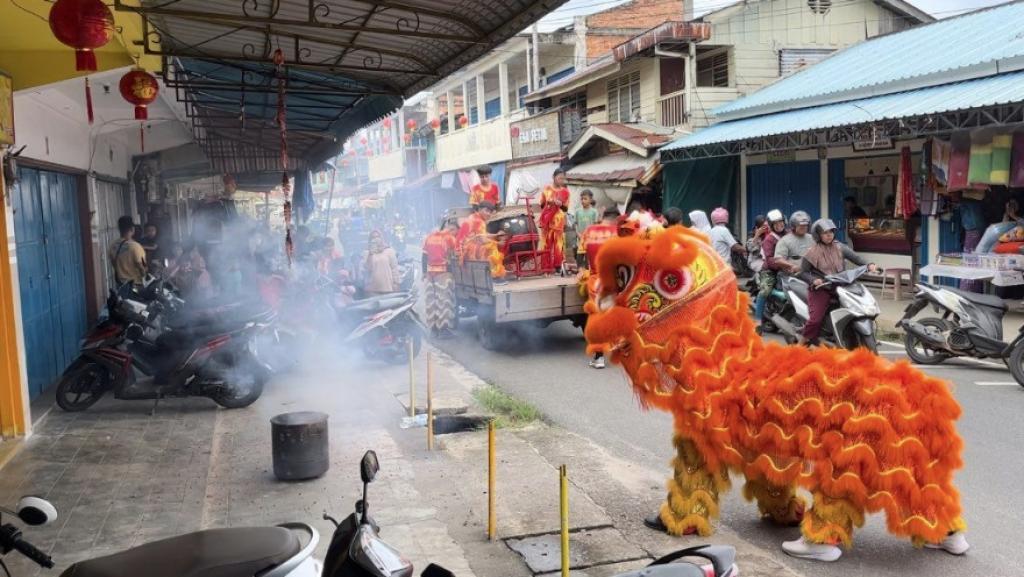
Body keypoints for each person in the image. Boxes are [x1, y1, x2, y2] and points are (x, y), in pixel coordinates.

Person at [799, 218, 878, 345]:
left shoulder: (840, 247)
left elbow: (856, 258)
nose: (829, 235)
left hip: (841, 286)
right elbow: (802, 273)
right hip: (822, 289)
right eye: (825, 233)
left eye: (831, 232)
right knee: (815, 320)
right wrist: (814, 280)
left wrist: (869, 265)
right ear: (818, 235)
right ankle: (802, 343)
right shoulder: (811, 252)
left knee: (859, 309)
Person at [582, 207, 621, 369]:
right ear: (616, 219)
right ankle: (618, 350)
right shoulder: (617, 234)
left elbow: (582, 253)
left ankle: (599, 357)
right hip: (612, 279)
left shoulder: (589, 231)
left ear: (603, 216)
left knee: (597, 316)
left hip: (594, 279)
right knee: (612, 314)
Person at [422, 218, 460, 339]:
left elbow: (424, 256)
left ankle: (433, 329)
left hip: (429, 274)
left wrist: (424, 272)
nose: (452, 230)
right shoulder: (449, 238)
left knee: (431, 301)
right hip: (443, 274)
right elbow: (456, 255)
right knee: (444, 302)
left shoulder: (429, 237)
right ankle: (443, 330)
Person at [755, 210, 788, 326]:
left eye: (781, 222)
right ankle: (758, 322)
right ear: (771, 225)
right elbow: (769, 259)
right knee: (764, 291)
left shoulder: (789, 234)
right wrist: (783, 266)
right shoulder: (769, 239)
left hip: (789, 268)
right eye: (776, 223)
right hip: (770, 270)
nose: (780, 225)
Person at [951, 191, 986, 292]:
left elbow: (973, 221)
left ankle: (968, 289)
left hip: (973, 231)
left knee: (971, 261)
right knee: (972, 260)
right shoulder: (972, 204)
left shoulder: (968, 204)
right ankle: (971, 289)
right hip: (974, 231)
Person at [539, 169, 570, 269]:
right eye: (559, 178)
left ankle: (558, 267)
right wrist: (550, 202)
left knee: (558, 245)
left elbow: (566, 208)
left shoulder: (565, 192)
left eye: (563, 178)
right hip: (547, 222)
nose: (561, 180)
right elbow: (542, 204)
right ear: (553, 177)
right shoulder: (546, 189)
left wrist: (560, 204)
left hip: (558, 222)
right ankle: (545, 267)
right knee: (545, 244)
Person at [109, 216, 148, 287]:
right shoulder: (135, 246)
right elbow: (142, 267)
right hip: (135, 286)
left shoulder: (113, 246)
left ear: (119, 229)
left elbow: (114, 265)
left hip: (121, 286)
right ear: (132, 229)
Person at [774, 211, 814, 275]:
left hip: (810, 274)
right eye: (800, 225)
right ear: (793, 226)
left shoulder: (813, 239)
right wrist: (792, 266)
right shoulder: (784, 240)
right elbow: (778, 260)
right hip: (791, 276)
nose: (803, 227)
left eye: (805, 225)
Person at [363, 230, 400, 296]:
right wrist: (370, 254)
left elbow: (394, 268)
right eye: (373, 237)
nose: (375, 239)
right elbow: (367, 269)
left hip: (387, 287)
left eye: (377, 237)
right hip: (373, 289)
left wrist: (396, 283)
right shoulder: (367, 253)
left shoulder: (389, 251)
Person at [574, 190, 599, 267]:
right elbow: (575, 224)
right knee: (579, 257)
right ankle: (580, 273)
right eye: (581, 199)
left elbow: (595, 226)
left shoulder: (594, 211)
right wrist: (577, 233)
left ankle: (588, 273)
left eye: (585, 199)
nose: (583, 201)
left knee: (589, 258)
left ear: (590, 200)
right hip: (580, 238)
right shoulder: (577, 211)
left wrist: (591, 235)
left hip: (590, 239)